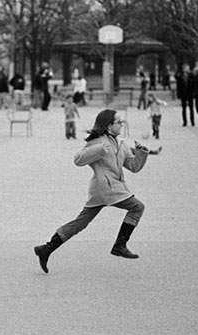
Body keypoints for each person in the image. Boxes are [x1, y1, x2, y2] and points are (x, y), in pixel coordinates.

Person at [33, 109, 161, 274]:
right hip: (106, 188)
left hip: (109, 190)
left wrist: (142, 153)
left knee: (80, 223)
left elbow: (134, 167)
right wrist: (99, 149)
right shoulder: (97, 142)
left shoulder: (122, 144)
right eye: (119, 122)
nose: (122, 124)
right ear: (109, 126)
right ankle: (120, 245)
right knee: (137, 207)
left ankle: (46, 248)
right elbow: (78, 160)